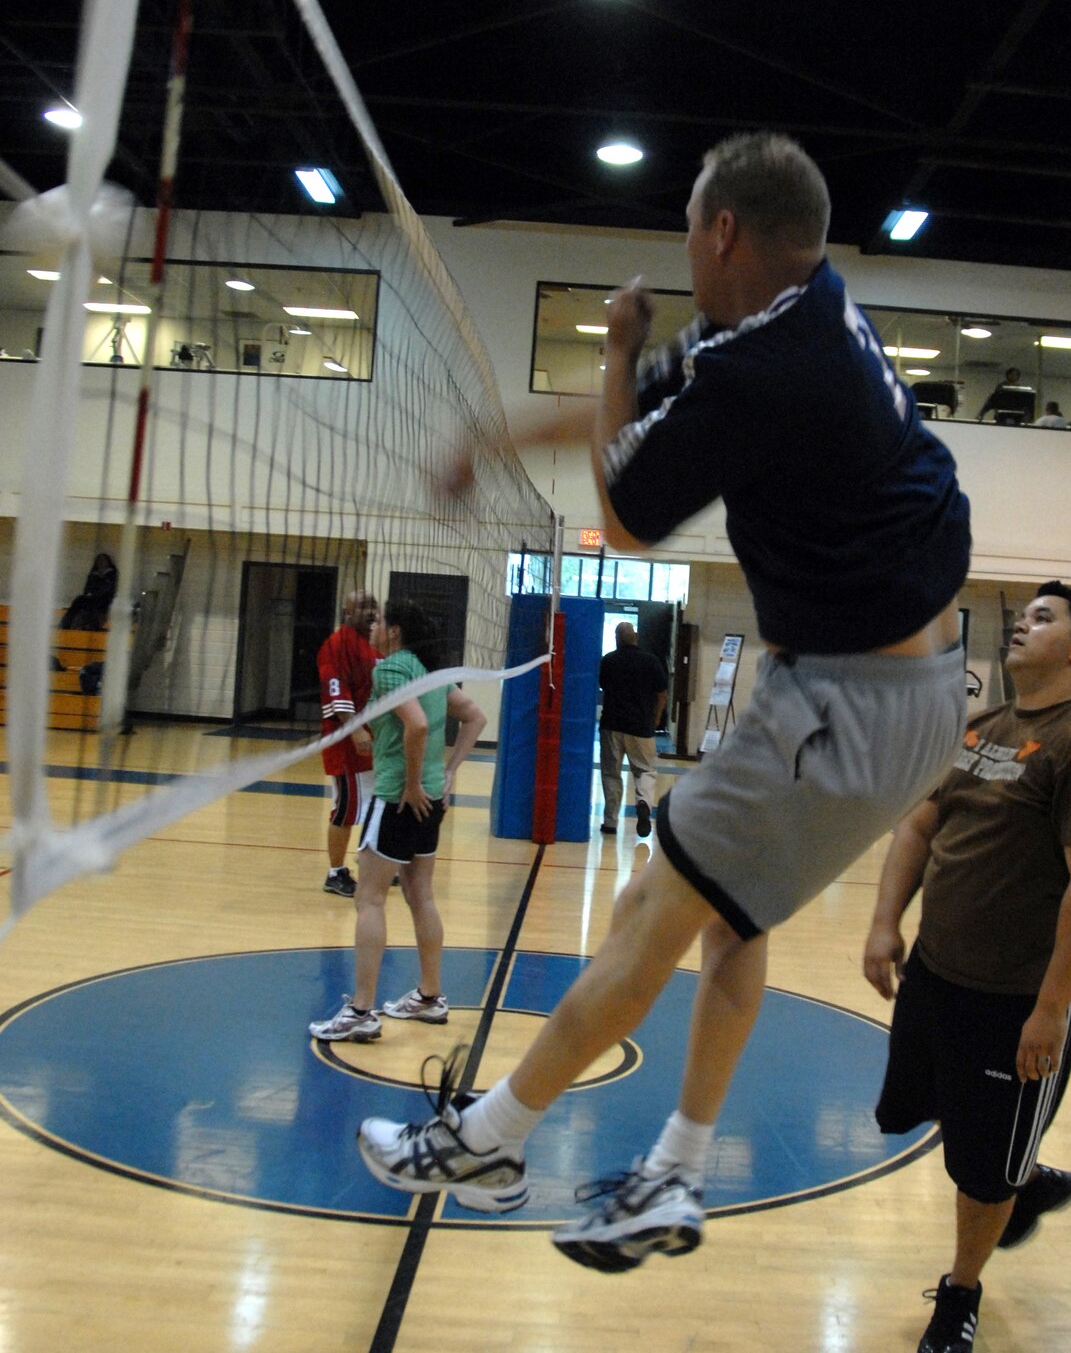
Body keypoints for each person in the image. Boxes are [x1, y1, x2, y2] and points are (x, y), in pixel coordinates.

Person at [356, 130, 972, 1254]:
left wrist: (612, 349)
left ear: (722, 229)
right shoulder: (802, 312)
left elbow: (630, 505)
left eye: (690, 224)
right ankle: (674, 1172)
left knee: (649, 912)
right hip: (890, 692)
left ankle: (491, 1136)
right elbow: (625, 418)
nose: (684, 247)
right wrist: (485, 441)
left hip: (848, 699)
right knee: (725, 921)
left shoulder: (763, 367)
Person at [865, 583, 1071, 1353]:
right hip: (936, 976)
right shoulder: (985, 727)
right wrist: (887, 921)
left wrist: (1051, 1008)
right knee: (923, 1113)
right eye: (1026, 613)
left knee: (980, 1172)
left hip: (1014, 1000)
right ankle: (1025, 1176)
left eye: (1045, 618)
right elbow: (920, 821)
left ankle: (960, 1293)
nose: (1024, 622)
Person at [310, 598, 486, 1041]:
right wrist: (447, 772)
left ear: (396, 631)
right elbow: (475, 717)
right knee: (420, 894)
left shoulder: (390, 670)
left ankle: (361, 1011)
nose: (374, 626)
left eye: (381, 621)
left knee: (369, 898)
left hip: (397, 797)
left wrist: (408, 784)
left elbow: (419, 726)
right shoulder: (428, 671)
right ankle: (429, 998)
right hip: (433, 797)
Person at [316, 591, 379, 897]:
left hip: (373, 745)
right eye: (363, 607)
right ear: (346, 611)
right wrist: (355, 730)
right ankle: (335, 873)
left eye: (374, 607)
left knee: (374, 805)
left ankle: (371, 864)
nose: (370, 612)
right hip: (347, 746)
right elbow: (335, 690)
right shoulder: (337, 645)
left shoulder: (370, 647)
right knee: (346, 809)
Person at [598, 621, 668, 838]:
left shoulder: (608, 660)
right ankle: (644, 804)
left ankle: (610, 822)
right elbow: (662, 693)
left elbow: (602, 686)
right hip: (641, 726)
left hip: (612, 725)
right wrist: (656, 718)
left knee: (611, 773)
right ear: (635, 637)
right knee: (645, 770)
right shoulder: (651, 661)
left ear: (617, 639)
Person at [59, 550, 117, 630]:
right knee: (79, 600)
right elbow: (87, 589)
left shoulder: (112, 574)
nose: (101, 562)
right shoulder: (93, 574)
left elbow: (109, 589)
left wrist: (97, 590)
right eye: (99, 560)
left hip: (105, 600)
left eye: (103, 560)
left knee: (91, 608)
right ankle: (65, 624)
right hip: (92, 598)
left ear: (108, 562)